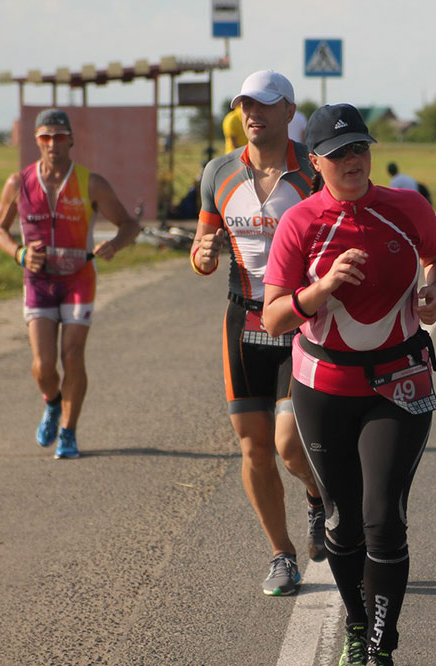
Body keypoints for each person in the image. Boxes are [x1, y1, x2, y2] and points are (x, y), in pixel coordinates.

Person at [262, 104, 436, 666]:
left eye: (361, 148)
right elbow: (274, 318)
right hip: (323, 386)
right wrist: (319, 290)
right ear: (315, 160)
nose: (354, 160)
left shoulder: (405, 206)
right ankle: (355, 621)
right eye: (340, 152)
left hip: (401, 380)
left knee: (383, 518)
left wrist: (434, 291)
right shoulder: (300, 222)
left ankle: (379, 647)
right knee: (344, 524)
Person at [190, 70, 326, 597]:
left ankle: (316, 496)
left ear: (289, 111)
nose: (253, 114)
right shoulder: (218, 171)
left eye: (265, 105)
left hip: (298, 320)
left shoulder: (314, 171)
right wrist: (201, 256)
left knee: (289, 444)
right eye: (245, 104)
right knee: (254, 449)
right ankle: (281, 555)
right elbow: (203, 245)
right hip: (243, 319)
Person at [0, 108, 141, 459]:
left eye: (59, 136)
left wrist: (114, 245)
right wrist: (19, 254)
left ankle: (69, 433)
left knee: (72, 355)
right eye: (45, 137)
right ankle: (53, 403)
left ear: (71, 140)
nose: (52, 143)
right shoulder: (18, 183)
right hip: (38, 280)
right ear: (37, 141)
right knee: (43, 366)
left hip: (78, 279)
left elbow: (129, 224)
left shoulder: (91, 182)